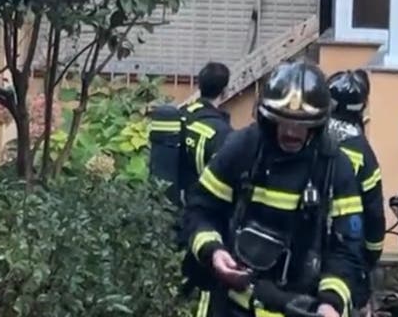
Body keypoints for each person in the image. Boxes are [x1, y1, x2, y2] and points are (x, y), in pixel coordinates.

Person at [183, 59, 367, 317]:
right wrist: (214, 251)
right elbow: (200, 210)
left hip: (301, 309)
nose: (292, 131)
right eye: (284, 121)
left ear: (318, 124)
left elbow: (347, 250)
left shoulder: (335, 168)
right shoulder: (241, 150)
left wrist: (331, 302)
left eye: (303, 123)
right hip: (233, 305)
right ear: (268, 118)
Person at [326, 69, 386, 314]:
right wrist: (371, 255)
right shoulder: (363, 153)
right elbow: (374, 213)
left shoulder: (307, 137)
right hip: (346, 252)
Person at [148, 61, 234, 206]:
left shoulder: (182, 115)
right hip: (199, 209)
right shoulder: (221, 132)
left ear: (199, 86)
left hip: (172, 205)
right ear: (225, 92)